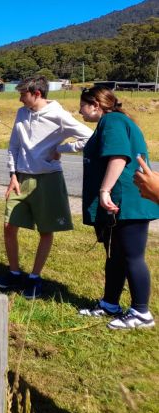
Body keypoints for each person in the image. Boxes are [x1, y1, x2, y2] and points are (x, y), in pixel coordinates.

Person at [0, 76, 93, 299]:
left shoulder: (58, 115)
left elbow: (90, 136)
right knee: (9, 225)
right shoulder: (22, 113)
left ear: (36, 93)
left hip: (49, 178)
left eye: (23, 94)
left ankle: (35, 278)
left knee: (45, 230)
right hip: (21, 178)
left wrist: (62, 149)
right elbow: (14, 146)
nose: (20, 99)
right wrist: (13, 174)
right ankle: (14, 273)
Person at [76, 86, 158, 329]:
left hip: (127, 200)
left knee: (132, 256)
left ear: (95, 106)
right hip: (119, 200)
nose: (79, 110)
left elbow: (119, 156)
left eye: (82, 105)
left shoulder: (112, 121)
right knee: (115, 256)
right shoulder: (112, 122)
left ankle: (141, 313)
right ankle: (110, 303)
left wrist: (104, 190)